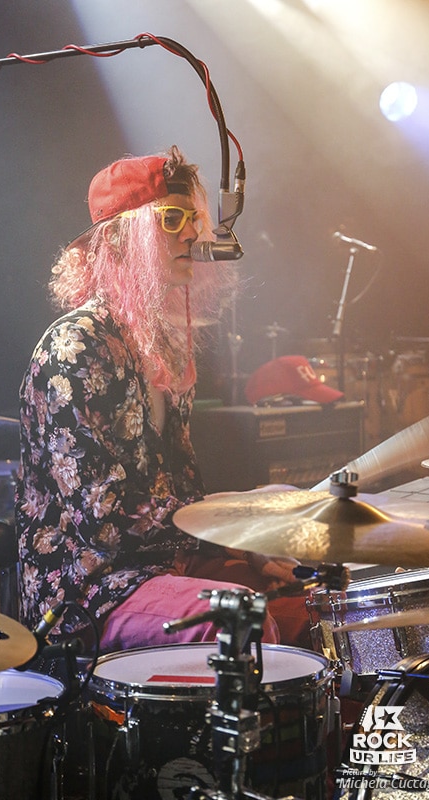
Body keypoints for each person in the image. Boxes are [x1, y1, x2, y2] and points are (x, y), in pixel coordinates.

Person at [15, 145, 311, 654]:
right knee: (238, 619)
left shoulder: (166, 344)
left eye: (193, 219)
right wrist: (233, 522)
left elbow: (180, 488)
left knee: (306, 604)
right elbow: (104, 520)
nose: (192, 233)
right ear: (119, 239)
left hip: (167, 565)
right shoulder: (75, 348)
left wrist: (251, 535)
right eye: (172, 219)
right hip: (88, 589)